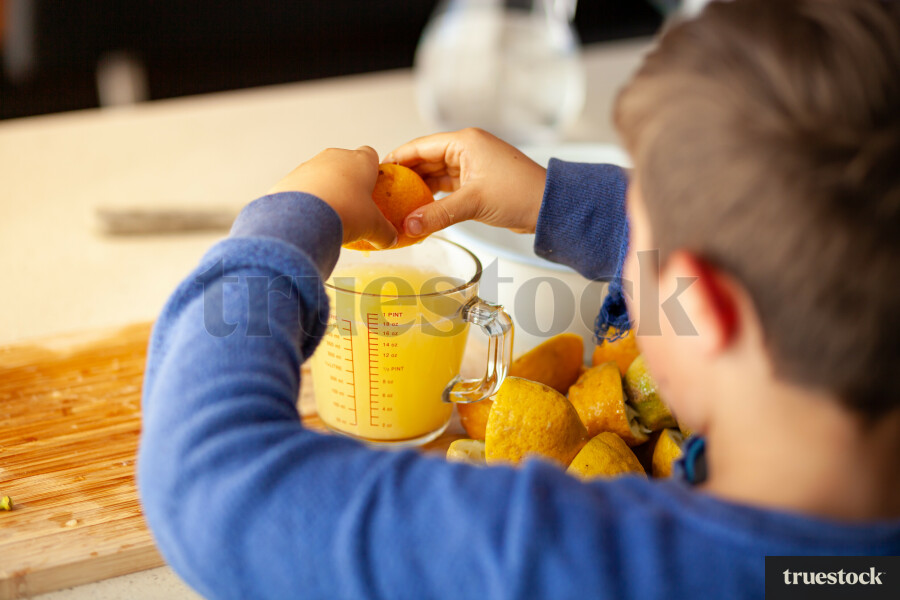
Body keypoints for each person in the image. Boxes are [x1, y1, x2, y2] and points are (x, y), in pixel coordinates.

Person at [138, 0, 900, 598]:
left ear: (708, 316)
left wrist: (288, 222)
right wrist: (552, 201)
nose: (629, 258)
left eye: (640, 239)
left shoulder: (568, 559)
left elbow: (209, 486)